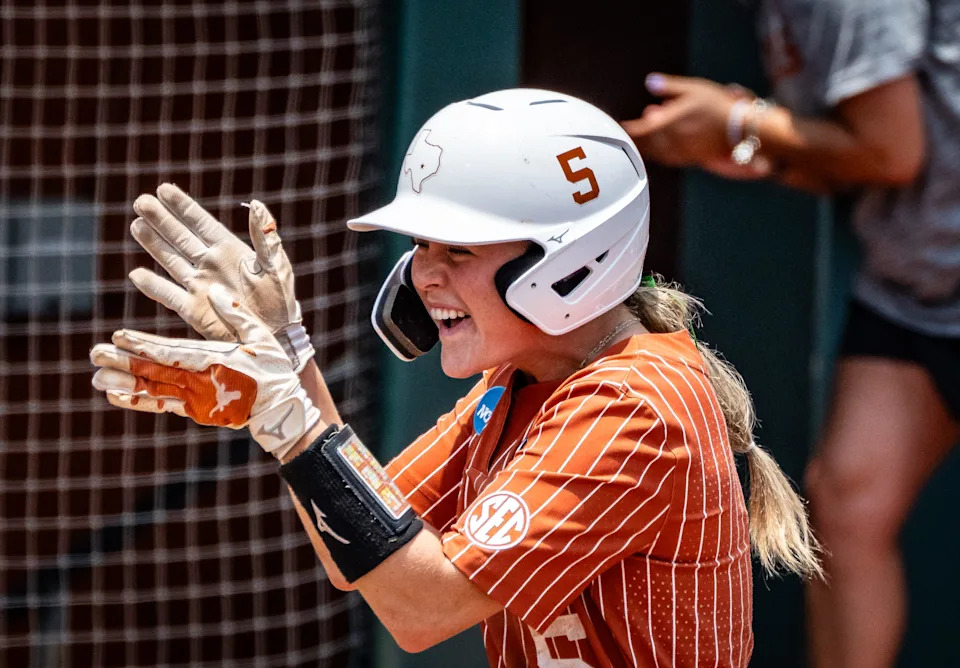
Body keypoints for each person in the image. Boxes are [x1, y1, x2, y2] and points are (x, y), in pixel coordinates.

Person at [90, 89, 820, 667]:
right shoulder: (522, 382)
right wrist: (289, 359)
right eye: (422, 246)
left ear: (572, 258)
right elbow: (369, 554)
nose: (423, 274)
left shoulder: (637, 405)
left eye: (459, 250)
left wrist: (295, 425)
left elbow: (421, 607)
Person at [623, 2, 960, 666]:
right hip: (913, 289)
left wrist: (738, 120)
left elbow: (892, 150)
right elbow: (860, 153)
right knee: (846, 505)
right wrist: (754, 143)